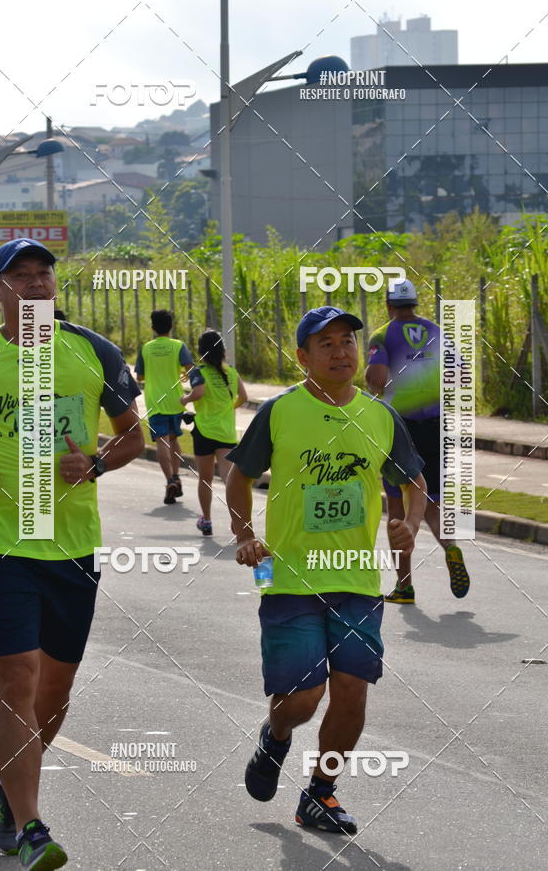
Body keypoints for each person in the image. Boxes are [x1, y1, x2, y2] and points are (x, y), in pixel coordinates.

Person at [0, 237, 144, 869]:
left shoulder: (92, 352)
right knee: (17, 680)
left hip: (72, 543)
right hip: (1, 542)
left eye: (43, 274)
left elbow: (132, 436)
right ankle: (32, 826)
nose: (34, 284)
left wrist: (95, 463)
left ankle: (5, 789)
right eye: (19, 276)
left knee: (54, 693)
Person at [226, 305, 427, 834]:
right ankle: (276, 735)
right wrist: (245, 535)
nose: (342, 352)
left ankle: (320, 793)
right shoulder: (281, 411)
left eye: (348, 342)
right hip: (288, 576)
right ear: (303, 357)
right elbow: (238, 477)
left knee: (353, 693)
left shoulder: (381, 416)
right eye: (327, 344)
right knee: (301, 701)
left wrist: (410, 523)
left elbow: (414, 484)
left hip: (358, 579)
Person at [365, 279, 470, 604]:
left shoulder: (382, 335)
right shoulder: (437, 331)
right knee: (432, 500)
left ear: (388, 305)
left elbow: (377, 379)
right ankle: (451, 547)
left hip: (402, 428)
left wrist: (379, 385)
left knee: (397, 506)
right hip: (437, 424)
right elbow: (460, 371)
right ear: (415, 303)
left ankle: (405, 585)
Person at [180, 329, 247, 535]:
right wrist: (228, 408)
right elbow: (243, 397)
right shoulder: (232, 372)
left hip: (204, 431)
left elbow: (198, 393)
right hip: (226, 433)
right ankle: (237, 521)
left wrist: (185, 400)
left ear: (201, 351)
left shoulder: (199, 372)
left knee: (205, 478)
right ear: (223, 351)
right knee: (229, 478)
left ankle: (207, 520)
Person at [134, 309, 193, 504]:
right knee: (174, 439)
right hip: (175, 400)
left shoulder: (146, 348)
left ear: (152, 328)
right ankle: (176, 475)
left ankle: (169, 480)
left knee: (161, 440)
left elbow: (140, 376)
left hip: (155, 401)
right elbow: (190, 369)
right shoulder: (178, 346)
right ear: (172, 326)